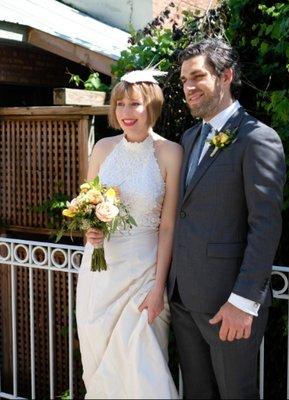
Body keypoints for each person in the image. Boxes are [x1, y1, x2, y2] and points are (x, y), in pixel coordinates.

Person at [168, 38, 286, 399]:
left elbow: (265, 226)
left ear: (226, 76)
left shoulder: (257, 139)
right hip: (184, 300)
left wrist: (243, 301)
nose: (188, 87)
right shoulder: (188, 138)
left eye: (198, 77)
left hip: (228, 306)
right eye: (184, 79)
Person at [76, 69, 182, 399]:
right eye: (119, 103)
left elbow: (168, 226)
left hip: (144, 276)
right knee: (101, 371)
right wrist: (88, 230)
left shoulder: (170, 153)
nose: (125, 112)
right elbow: (86, 207)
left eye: (134, 103)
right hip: (99, 274)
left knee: (144, 371)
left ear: (151, 106)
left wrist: (157, 287)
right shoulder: (103, 149)